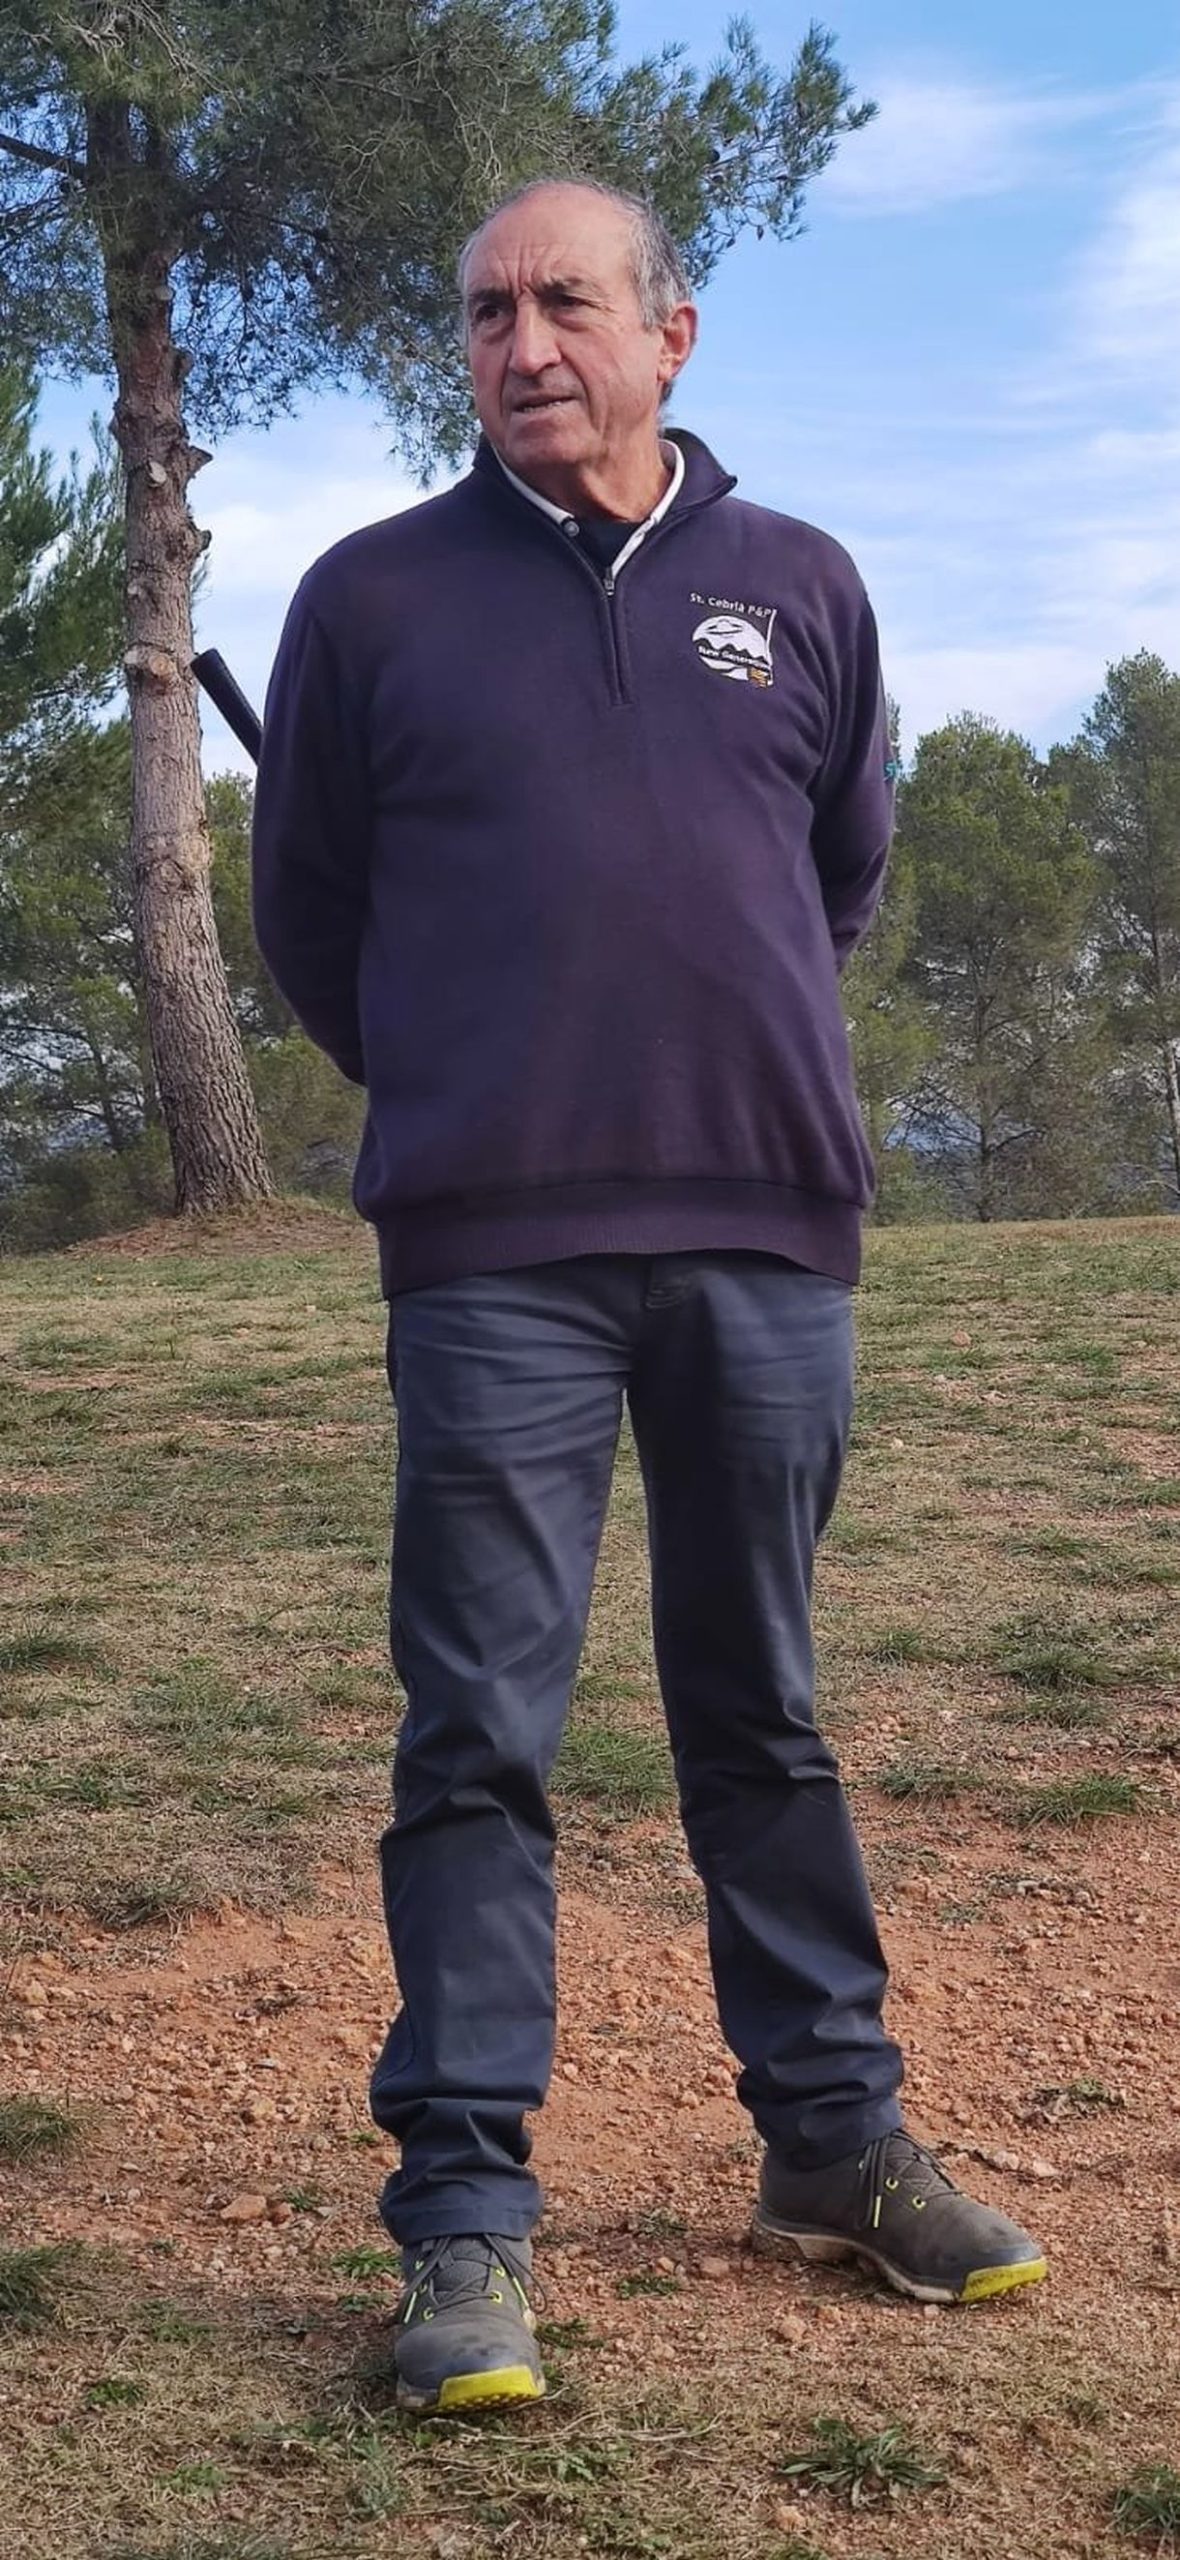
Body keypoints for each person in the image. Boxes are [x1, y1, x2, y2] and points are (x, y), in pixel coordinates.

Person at [250, 175, 1047, 2418]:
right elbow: (310, 915)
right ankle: (464, 2218)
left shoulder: (800, 583)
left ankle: (832, 2141)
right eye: (485, 309)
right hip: (489, 1254)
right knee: (476, 1738)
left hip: (763, 1230)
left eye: (565, 303)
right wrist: (477, 1085)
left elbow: (835, 873)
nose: (521, 344)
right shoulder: (367, 599)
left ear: (669, 332)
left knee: (760, 1705)